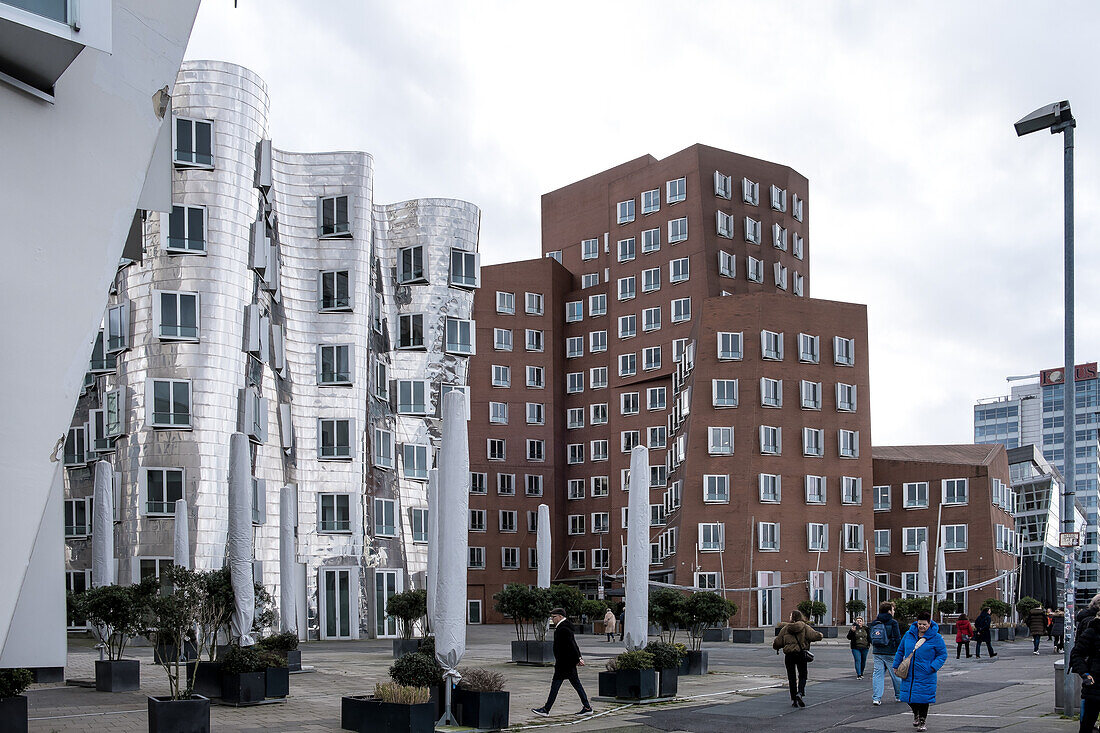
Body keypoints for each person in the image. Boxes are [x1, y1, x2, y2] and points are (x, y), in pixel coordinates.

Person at [531, 608, 592, 717]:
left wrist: (578, 658)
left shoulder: (563, 628)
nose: (552, 619)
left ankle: (546, 709)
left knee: (556, 685)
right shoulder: (564, 627)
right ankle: (587, 707)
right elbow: (573, 643)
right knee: (576, 685)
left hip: (564, 663)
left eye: (553, 617)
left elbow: (571, 645)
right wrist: (578, 657)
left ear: (560, 616)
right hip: (566, 663)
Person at [893, 611, 947, 732]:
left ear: (929, 624)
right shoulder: (908, 635)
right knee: (908, 697)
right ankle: (916, 714)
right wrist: (896, 665)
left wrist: (933, 667)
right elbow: (900, 650)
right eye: (920, 624)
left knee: (923, 699)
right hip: (909, 672)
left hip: (926, 673)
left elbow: (942, 654)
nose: (922, 626)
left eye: (924, 624)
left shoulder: (936, 638)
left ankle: (922, 721)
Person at [772, 609, 823, 708]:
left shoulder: (785, 628)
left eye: (791, 615)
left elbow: (778, 642)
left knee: (791, 677)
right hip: (801, 654)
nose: (790, 617)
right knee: (803, 675)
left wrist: (777, 647)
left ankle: (794, 700)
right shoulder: (805, 627)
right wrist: (820, 635)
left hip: (789, 656)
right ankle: (800, 692)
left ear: (793, 617)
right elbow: (816, 636)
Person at [1070, 608, 1100, 732]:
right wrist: (1085, 674)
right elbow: (1076, 654)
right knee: (1087, 725)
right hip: (1095, 687)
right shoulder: (1093, 631)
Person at [869, 601, 902, 706]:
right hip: (891, 652)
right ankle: (899, 696)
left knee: (877, 674)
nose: (894, 611)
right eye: (893, 609)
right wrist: (899, 651)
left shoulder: (875, 622)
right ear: (889, 611)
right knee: (896, 674)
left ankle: (876, 698)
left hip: (877, 651)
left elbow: (871, 637)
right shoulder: (893, 622)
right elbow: (897, 638)